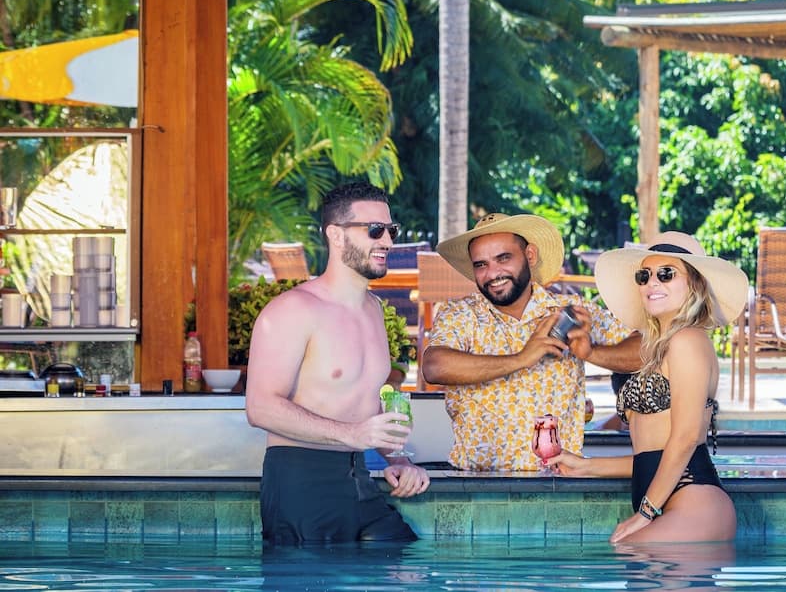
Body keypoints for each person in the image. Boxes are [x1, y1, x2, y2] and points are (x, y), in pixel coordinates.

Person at [245, 181, 430, 545]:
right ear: (336, 235)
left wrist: (398, 460)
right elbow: (260, 408)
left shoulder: (374, 309)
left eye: (390, 231)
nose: (387, 242)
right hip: (301, 481)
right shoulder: (293, 310)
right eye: (374, 230)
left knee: (404, 561)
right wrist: (352, 435)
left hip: (358, 477)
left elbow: (364, 402)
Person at [547, 231, 749, 543]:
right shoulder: (658, 348)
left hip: (694, 500)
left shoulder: (688, 340)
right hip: (669, 498)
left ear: (694, 284)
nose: (652, 283)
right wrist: (586, 467)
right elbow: (651, 455)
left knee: (629, 548)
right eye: (645, 276)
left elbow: (686, 439)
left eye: (666, 274)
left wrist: (645, 512)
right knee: (628, 552)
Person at [422, 213, 642, 471]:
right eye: (481, 264)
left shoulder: (569, 311)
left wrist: (592, 353)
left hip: (558, 480)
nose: (493, 273)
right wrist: (522, 358)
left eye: (503, 258)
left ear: (530, 255)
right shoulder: (460, 314)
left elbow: (647, 350)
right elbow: (434, 367)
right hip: (477, 483)